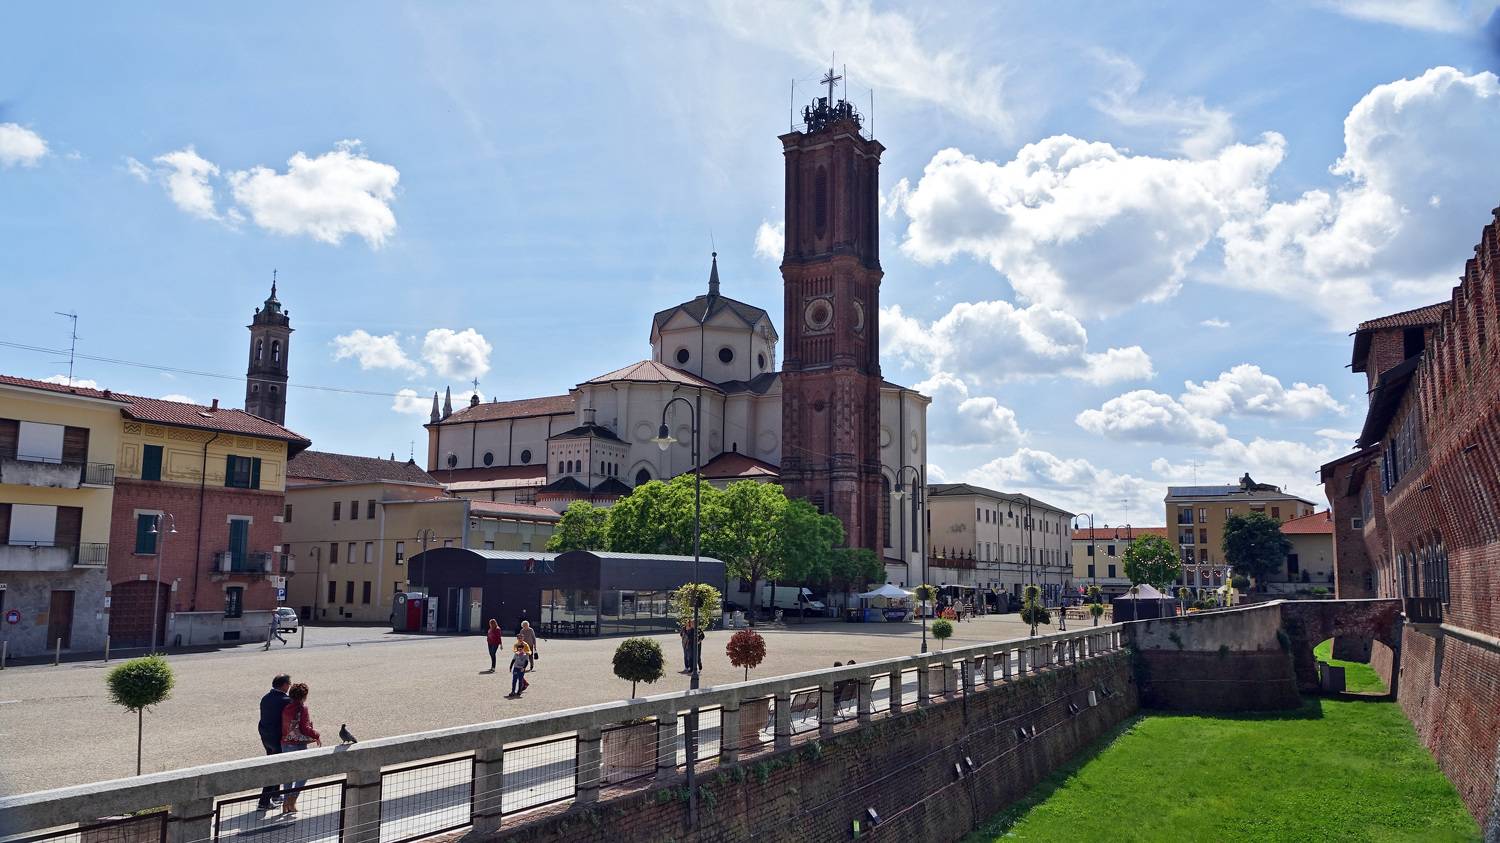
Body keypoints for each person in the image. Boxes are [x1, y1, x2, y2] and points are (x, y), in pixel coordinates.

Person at [279, 683, 321, 816]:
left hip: (285, 743)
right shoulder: (302, 708)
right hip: (298, 744)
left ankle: (286, 803)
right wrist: (317, 735)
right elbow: (304, 728)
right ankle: (293, 800)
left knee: (288, 775)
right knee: (304, 773)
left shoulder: (286, 707)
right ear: (304, 696)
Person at [255, 674, 291, 810]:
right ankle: (263, 802)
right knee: (275, 769)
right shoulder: (286, 700)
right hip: (277, 738)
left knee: (273, 763)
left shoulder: (266, 698)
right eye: (289, 684)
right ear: (284, 685)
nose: (289, 686)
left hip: (266, 736)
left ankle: (275, 794)